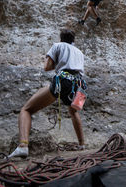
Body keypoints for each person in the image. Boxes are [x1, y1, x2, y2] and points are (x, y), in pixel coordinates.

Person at [8, 29, 87, 158]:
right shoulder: (79, 52)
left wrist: (57, 62)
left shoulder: (57, 46)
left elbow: (47, 67)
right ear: (73, 40)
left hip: (64, 81)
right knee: (73, 112)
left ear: (61, 38)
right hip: (80, 85)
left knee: (26, 110)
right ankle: (82, 144)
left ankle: (23, 146)